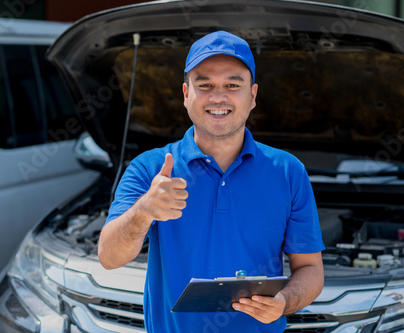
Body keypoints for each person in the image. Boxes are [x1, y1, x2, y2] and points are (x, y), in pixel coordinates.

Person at [98, 30, 325, 332]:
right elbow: (109, 257)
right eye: (204, 85)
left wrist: (284, 302)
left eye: (233, 85)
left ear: (253, 96)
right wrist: (145, 211)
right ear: (185, 94)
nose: (218, 97)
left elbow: (310, 269)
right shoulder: (149, 168)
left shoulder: (288, 171)